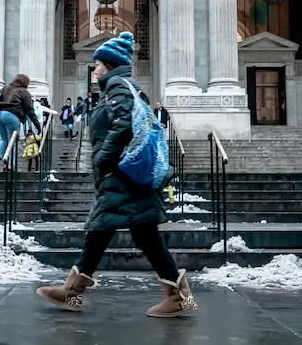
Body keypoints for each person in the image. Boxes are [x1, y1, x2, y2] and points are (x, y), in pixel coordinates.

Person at [37, 32, 197, 318]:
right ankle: (74, 292)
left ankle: (74, 292)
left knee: (106, 229)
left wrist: (103, 158)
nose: (94, 69)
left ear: (109, 65)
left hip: (122, 174)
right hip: (125, 175)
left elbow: (123, 124)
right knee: (124, 232)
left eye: (98, 64)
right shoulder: (121, 87)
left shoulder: (118, 88)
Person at [0, 74, 41, 168]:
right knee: (13, 142)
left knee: (4, 139)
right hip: (12, 116)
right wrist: (37, 124)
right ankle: (10, 165)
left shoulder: (4, 88)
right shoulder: (23, 91)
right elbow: (29, 110)